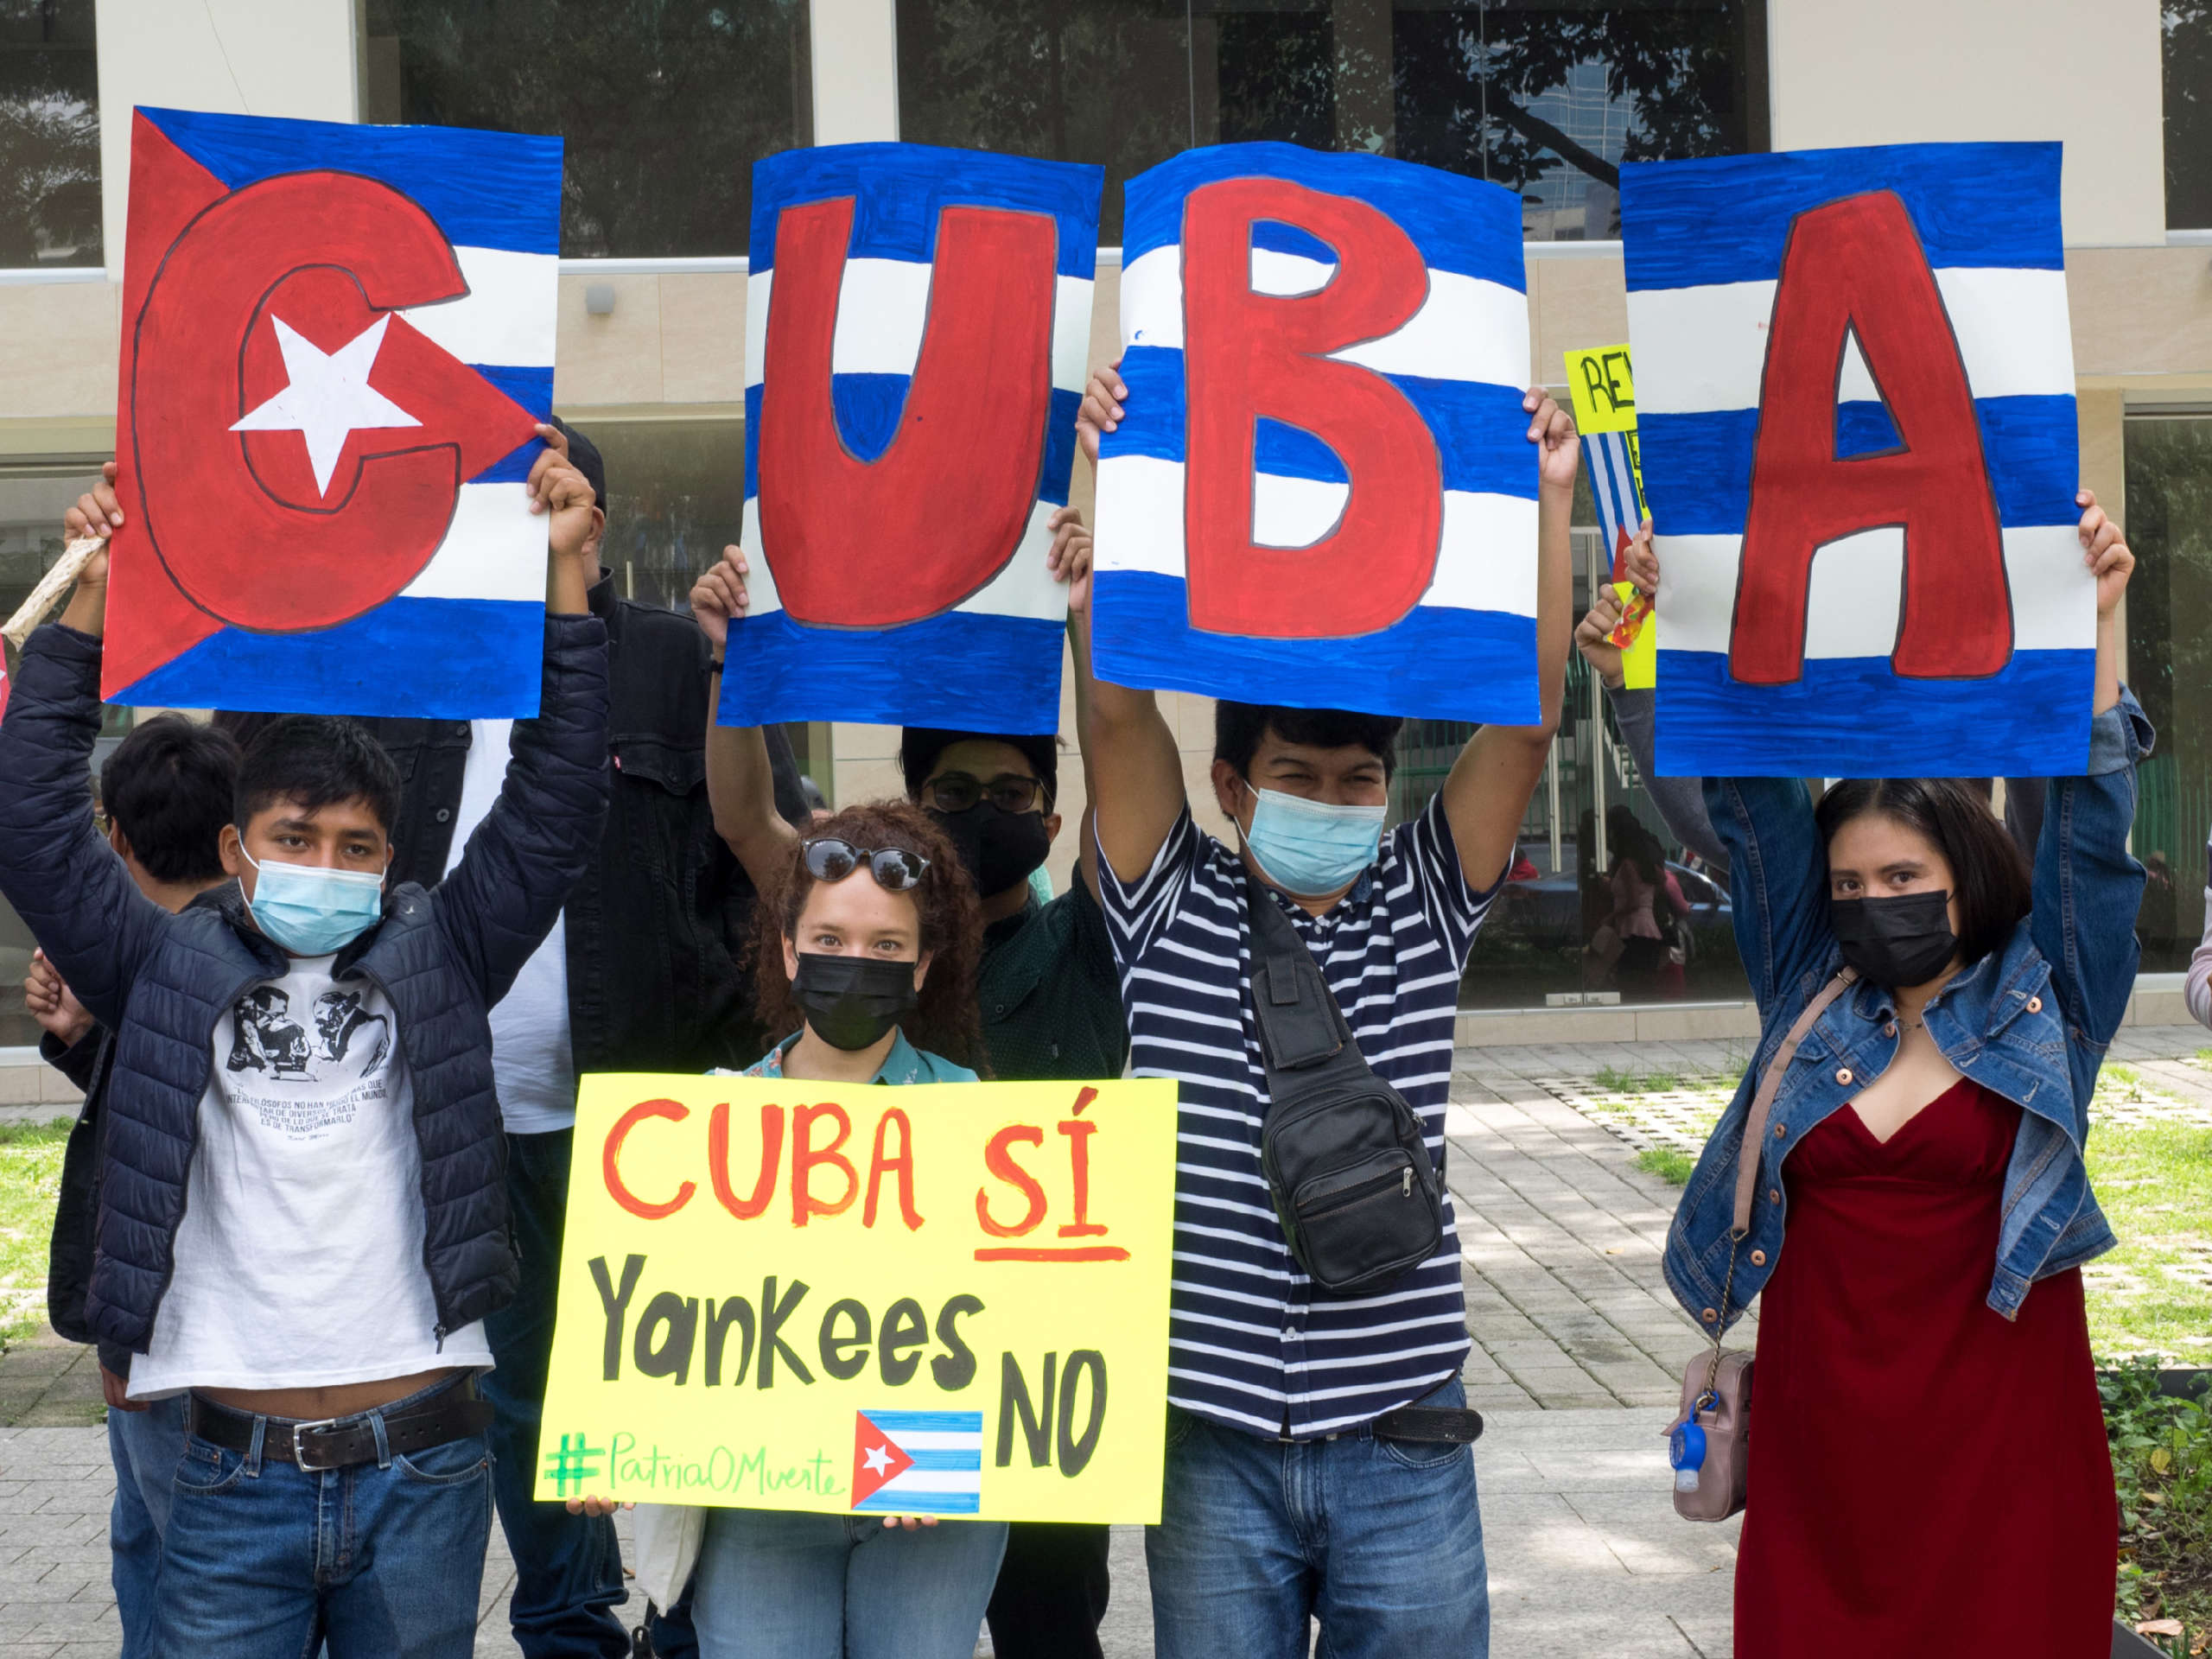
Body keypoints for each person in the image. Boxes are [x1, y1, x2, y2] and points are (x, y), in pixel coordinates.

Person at [0, 435, 610, 1658]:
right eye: (296, 836)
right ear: (237, 851)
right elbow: (35, 817)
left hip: (426, 1469)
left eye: (358, 847)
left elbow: (553, 805)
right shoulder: (159, 968)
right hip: (226, 1477)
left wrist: (566, 583)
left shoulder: (442, 957)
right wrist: (94, 595)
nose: (326, 866)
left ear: (393, 862)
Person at [217, 420, 803, 1659]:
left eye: (557, 492)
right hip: (459, 1113)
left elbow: (763, 859)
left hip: (654, 1108)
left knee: (680, 1386)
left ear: (595, 513)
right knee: (527, 1399)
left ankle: (702, 1623)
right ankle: (575, 1625)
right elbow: (275, 793)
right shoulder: (411, 670)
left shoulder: (665, 654)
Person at [1070, 365, 1579, 1657]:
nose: (1336, 804)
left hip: (1403, 1435)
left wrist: (1546, 500)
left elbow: (1522, 730)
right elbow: (1119, 719)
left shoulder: (1422, 899)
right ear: (1235, 788)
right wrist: (1107, 488)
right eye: (1299, 777)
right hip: (1208, 1444)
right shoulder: (1161, 898)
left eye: (1360, 781)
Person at [1662, 491, 2140, 1657]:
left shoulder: (2050, 996)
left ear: (1965, 870)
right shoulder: (1810, 995)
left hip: (2005, 1431)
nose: (1876, 905)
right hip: (1824, 1437)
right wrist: (1704, 604)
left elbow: (2089, 830)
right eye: (1852, 887)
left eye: (1903, 877)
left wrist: (2099, 622)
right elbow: (1754, 807)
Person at [695, 508, 1128, 1659]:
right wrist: (733, 666)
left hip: (1029, 1390)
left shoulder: (1092, 942)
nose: (985, 811)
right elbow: (746, 816)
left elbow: (1130, 799)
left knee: (1048, 1635)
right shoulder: (859, 927)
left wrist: (1092, 625)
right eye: (954, 791)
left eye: (1011, 793)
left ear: (1049, 813)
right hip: (841, 1374)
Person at [569, 800, 1003, 1659]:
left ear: (921, 968)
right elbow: (660, 1313)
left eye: (886, 947)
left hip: (928, 1494)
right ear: (787, 948)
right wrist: (614, 1433)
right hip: (762, 1491)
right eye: (832, 939)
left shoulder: (978, 1118)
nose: (856, 961)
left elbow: (1018, 1322)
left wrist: (944, 1445)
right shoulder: (703, 1125)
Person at [26, 711, 240, 1659]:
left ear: (114, 834)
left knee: (182, 1562)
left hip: (172, 1347)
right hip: (166, 1344)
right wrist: (83, 1038)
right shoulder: (244, 955)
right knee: (143, 1540)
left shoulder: (177, 956)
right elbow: (152, 1108)